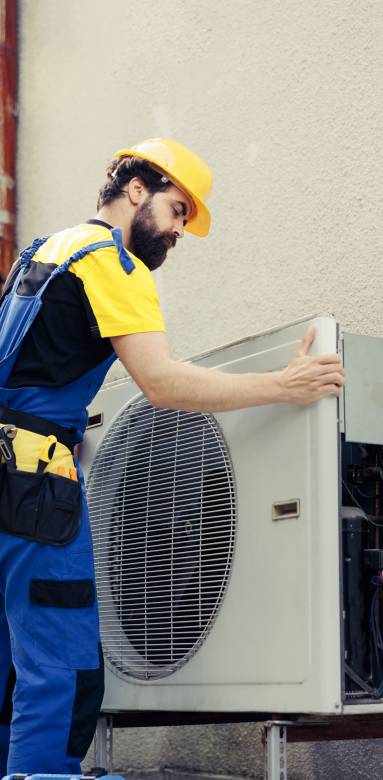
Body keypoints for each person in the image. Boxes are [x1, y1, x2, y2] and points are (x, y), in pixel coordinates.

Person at [0, 138, 344, 775]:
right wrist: (283, 386)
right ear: (136, 190)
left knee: (10, 668)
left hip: (7, 478)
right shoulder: (111, 263)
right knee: (63, 668)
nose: (181, 230)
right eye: (178, 209)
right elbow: (162, 383)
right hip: (34, 489)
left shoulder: (43, 250)